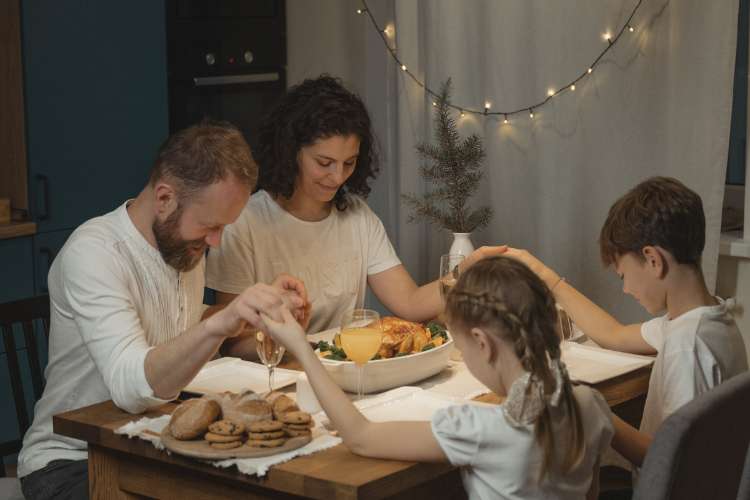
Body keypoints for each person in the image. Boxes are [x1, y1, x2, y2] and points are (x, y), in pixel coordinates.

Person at [17, 122, 307, 500]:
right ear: (165, 198)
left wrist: (261, 318)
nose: (216, 240)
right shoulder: (94, 254)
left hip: (151, 444)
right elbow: (131, 388)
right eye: (210, 225)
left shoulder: (182, 243)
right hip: (72, 461)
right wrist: (223, 320)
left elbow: (180, 323)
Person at [260, 256, 614, 500]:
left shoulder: (482, 429)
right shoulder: (590, 405)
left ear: (482, 343)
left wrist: (302, 348)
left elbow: (361, 436)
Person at [205, 75, 503, 357]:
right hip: (281, 373)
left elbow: (410, 303)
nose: (337, 177)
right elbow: (232, 344)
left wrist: (468, 271)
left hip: (346, 370)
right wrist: (295, 345)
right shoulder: (245, 222)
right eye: (324, 163)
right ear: (290, 151)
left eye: (349, 163)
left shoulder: (357, 216)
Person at [503, 176, 747, 468]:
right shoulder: (710, 320)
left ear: (653, 260)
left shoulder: (687, 347)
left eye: (623, 276)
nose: (626, 289)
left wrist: (596, 411)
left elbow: (669, 459)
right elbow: (614, 334)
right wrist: (544, 275)